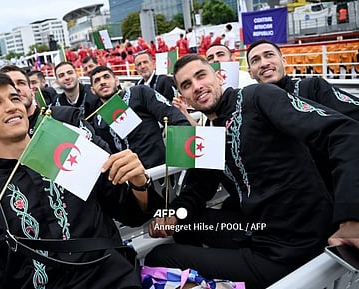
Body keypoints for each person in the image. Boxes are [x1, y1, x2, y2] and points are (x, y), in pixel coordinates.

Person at [144, 54, 359, 289]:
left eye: (201, 75)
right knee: (186, 221)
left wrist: (352, 216)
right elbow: (198, 190)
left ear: (218, 76)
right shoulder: (207, 134)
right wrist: (172, 214)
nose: (196, 87)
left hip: (290, 246)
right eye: (186, 85)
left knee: (158, 258)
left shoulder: (257, 97)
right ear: (182, 97)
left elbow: (344, 132)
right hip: (254, 230)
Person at [0, 73, 163, 289]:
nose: (11, 106)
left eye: (14, 98)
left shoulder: (69, 151)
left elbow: (134, 214)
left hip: (111, 280)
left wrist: (138, 182)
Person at [246, 39, 359, 192]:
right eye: (255, 60)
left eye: (269, 55)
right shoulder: (251, 111)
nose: (264, 63)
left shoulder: (312, 87)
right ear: (250, 72)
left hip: (335, 189)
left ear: (283, 60)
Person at [89, 66, 190, 169]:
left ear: (117, 81)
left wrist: (181, 161)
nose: (102, 82)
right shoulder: (98, 120)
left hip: (161, 170)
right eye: (97, 80)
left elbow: (174, 117)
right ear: (92, 90)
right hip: (132, 179)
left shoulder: (139, 93)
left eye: (106, 77)